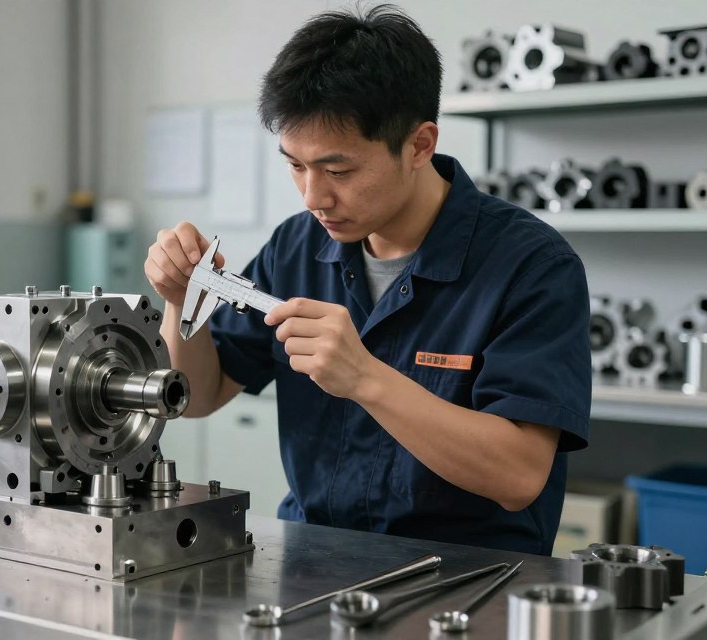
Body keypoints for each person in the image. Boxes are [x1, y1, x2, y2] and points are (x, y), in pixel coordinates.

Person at [144, 5, 591, 555]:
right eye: (295, 166)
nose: (313, 198)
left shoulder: (532, 267)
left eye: (338, 171)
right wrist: (179, 301)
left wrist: (365, 378)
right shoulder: (297, 247)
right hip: (312, 565)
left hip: (468, 583)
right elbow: (199, 396)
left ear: (420, 145)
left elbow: (520, 476)